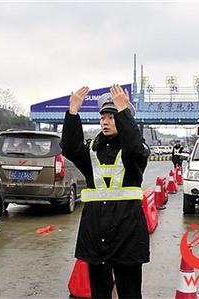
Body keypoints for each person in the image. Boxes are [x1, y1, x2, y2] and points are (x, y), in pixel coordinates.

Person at [60, 85, 150, 299]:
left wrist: (123, 111)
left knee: (130, 293)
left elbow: (134, 147)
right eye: (103, 118)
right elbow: (70, 148)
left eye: (112, 117)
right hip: (95, 233)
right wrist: (73, 113)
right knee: (99, 293)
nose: (106, 122)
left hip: (127, 234)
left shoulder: (135, 152)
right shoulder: (92, 151)